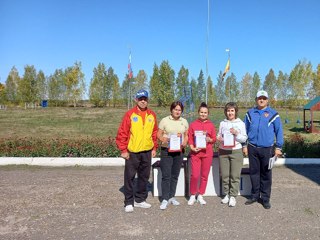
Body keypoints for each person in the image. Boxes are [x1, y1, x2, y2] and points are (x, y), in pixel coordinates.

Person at [116, 89, 158, 213]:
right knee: (129, 177)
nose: (143, 101)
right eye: (140, 99)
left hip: (147, 151)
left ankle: (139, 200)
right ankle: (129, 202)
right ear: (136, 100)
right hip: (132, 151)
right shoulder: (130, 114)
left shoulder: (152, 115)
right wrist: (123, 150)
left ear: (147, 100)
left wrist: (154, 147)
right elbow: (122, 132)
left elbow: (154, 132)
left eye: (145, 99)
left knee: (144, 177)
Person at [244, 90, 283, 209]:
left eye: (264, 98)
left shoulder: (273, 114)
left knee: (266, 174)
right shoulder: (250, 113)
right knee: (254, 173)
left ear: (267, 100)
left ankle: (265, 198)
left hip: (267, 149)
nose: (261, 100)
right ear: (256, 100)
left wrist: (278, 147)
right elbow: (244, 130)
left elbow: (279, 131)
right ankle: (255, 195)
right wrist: (244, 145)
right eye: (259, 98)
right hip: (252, 148)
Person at [157, 101, 189, 210]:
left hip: (179, 151)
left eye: (179, 110)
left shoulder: (184, 121)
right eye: (175, 109)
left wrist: (185, 141)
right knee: (166, 175)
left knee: (175, 175)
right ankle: (165, 198)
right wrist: (163, 139)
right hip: (166, 151)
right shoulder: (165, 120)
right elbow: (158, 134)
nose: (177, 111)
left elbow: (186, 135)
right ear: (171, 110)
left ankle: (171, 196)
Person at [217, 102, 247, 207]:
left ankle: (233, 196)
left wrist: (236, 133)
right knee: (225, 175)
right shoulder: (222, 123)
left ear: (235, 112)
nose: (230, 113)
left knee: (235, 175)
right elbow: (219, 135)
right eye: (228, 110)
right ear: (226, 112)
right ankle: (226, 194)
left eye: (232, 111)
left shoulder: (241, 123)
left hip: (236, 151)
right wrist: (219, 138)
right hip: (223, 151)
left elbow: (244, 138)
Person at [187, 102, 216, 205]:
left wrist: (210, 139)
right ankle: (192, 194)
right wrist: (191, 147)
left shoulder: (211, 125)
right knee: (195, 175)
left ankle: (200, 194)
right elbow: (189, 138)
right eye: (201, 112)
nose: (203, 114)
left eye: (205, 112)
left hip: (207, 153)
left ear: (208, 114)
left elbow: (214, 139)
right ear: (198, 113)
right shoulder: (193, 124)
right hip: (196, 153)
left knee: (204, 175)